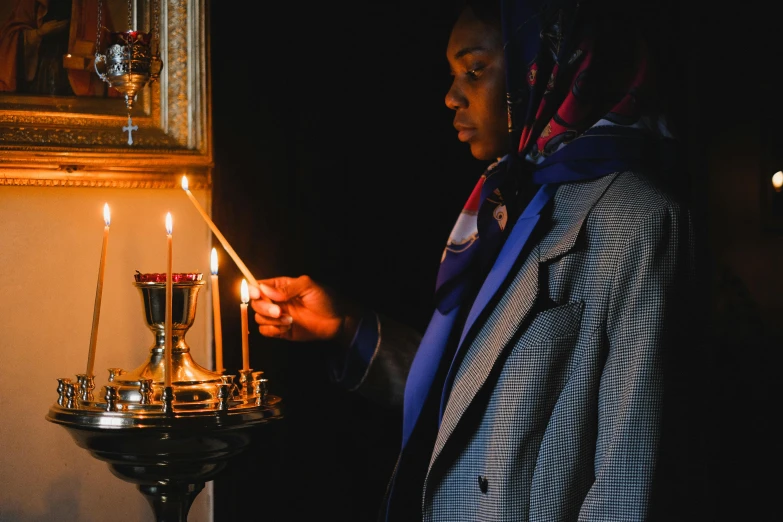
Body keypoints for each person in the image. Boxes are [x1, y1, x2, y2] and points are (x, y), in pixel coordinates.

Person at [248, 0, 700, 520]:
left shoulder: (640, 219)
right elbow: (471, 399)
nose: (450, 97)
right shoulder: (505, 205)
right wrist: (345, 328)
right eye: (452, 74)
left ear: (547, 64)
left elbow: (631, 478)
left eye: (475, 70)